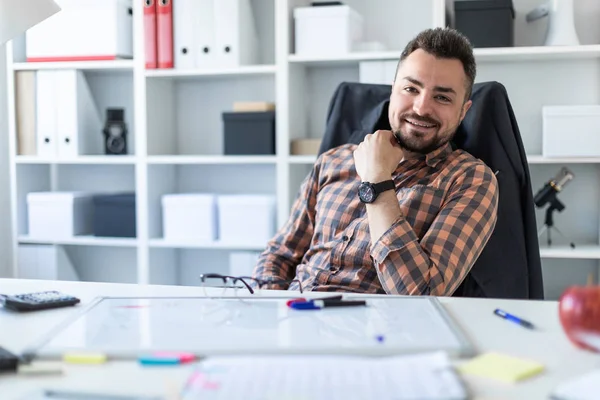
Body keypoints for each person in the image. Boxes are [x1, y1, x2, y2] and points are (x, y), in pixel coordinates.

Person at [251, 27, 499, 296]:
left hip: (375, 331)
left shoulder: (470, 179)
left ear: (463, 111)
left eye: (442, 97)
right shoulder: (333, 161)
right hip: (294, 314)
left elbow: (421, 293)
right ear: (393, 92)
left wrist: (377, 180)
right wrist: (269, 308)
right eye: (410, 88)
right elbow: (279, 256)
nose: (421, 108)